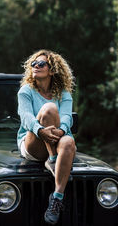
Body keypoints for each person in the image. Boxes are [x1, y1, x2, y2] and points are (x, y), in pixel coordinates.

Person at [17, 49, 76, 225]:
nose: (36, 66)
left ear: (52, 70)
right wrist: (39, 130)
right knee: (49, 109)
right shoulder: (25, 91)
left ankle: (57, 198)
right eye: (33, 64)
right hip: (33, 143)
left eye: (41, 64)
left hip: (57, 138)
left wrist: (62, 130)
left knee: (69, 141)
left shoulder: (63, 93)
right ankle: (53, 158)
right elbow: (26, 117)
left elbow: (67, 117)